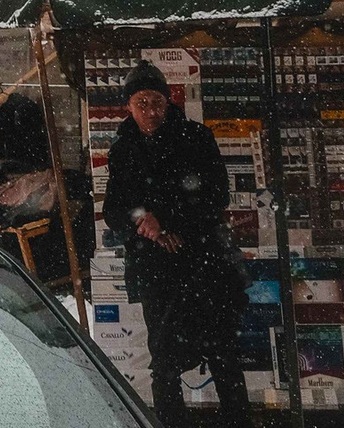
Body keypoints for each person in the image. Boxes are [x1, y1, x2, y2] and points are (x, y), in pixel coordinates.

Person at [102, 62, 253, 428]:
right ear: (129, 106)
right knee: (165, 362)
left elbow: (214, 194)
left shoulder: (195, 138)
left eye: (157, 102)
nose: (151, 111)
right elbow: (114, 209)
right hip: (156, 269)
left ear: (168, 102)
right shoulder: (122, 149)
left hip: (203, 263)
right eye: (142, 103)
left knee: (222, 354)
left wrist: (169, 220)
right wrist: (147, 225)